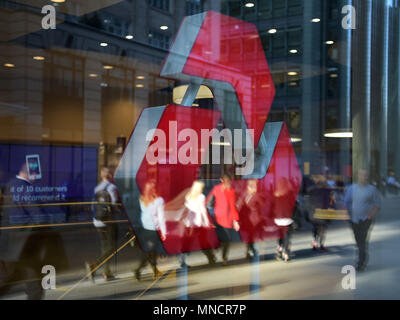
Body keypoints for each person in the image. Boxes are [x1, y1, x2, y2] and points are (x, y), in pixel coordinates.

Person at [86, 167, 120, 282]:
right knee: (111, 247)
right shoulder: (112, 187)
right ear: (110, 175)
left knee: (104, 247)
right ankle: (94, 266)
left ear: (101, 176)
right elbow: (114, 205)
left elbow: (92, 206)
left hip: (97, 221)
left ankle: (107, 273)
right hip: (108, 221)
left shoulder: (96, 188)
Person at [344, 169, 381, 271]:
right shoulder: (351, 188)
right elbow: (346, 203)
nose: (363, 177)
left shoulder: (372, 189)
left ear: (367, 177)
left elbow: (377, 204)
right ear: (358, 176)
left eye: (365, 175)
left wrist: (370, 215)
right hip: (354, 220)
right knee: (358, 240)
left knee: (362, 240)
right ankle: (363, 256)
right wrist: (347, 215)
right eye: (361, 175)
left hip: (366, 220)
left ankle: (361, 262)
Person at [134, 180, 167, 280]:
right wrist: (164, 232)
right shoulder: (159, 200)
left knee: (152, 251)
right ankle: (138, 270)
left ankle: (155, 270)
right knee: (149, 252)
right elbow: (161, 217)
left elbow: (141, 213)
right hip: (153, 229)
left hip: (144, 228)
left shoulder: (142, 199)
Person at [206, 174, 240, 265]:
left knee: (226, 239)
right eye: (226, 180)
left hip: (226, 219)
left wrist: (235, 220)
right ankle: (219, 254)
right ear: (221, 180)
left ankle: (224, 257)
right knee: (221, 239)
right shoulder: (216, 189)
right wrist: (210, 214)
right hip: (217, 218)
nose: (227, 182)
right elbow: (208, 201)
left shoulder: (231, 191)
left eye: (228, 181)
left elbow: (232, 206)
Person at [236, 179, 266, 260]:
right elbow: (239, 204)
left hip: (252, 219)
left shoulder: (252, 195)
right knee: (250, 236)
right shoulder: (247, 195)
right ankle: (251, 250)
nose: (254, 189)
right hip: (249, 219)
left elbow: (263, 205)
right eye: (253, 187)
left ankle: (250, 250)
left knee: (251, 236)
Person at [272, 177, 296, 262]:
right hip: (287, 219)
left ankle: (279, 247)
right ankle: (285, 253)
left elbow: (272, 208)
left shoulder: (276, 195)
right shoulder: (290, 194)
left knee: (280, 235)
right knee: (287, 237)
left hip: (278, 220)